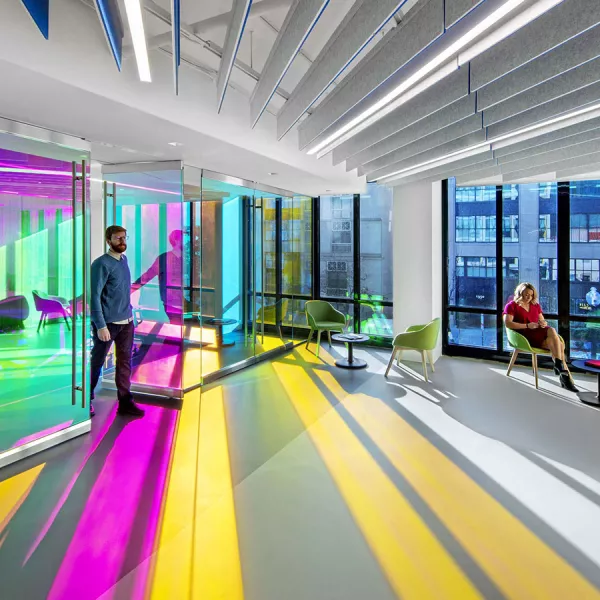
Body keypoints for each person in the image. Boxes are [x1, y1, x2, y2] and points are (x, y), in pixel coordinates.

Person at [89, 225, 145, 417]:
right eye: (117, 238)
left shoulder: (123, 260)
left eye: (124, 237)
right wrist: (101, 325)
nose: (122, 241)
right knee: (96, 362)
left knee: (124, 363)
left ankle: (125, 403)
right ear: (108, 241)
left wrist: (130, 315)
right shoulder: (101, 264)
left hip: (126, 322)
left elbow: (121, 291)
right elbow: (94, 296)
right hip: (108, 325)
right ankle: (86, 400)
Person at [503, 282, 578, 392]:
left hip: (537, 333)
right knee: (558, 344)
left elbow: (542, 320)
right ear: (520, 293)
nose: (529, 297)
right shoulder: (511, 306)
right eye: (526, 294)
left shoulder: (535, 305)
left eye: (531, 295)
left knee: (555, 339)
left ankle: (561, 370)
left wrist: (542, 323)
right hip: (523, 336)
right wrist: (527, 325)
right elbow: (508, 323)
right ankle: (563, 375)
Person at [131, 229, 184, 324]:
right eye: (183, 238)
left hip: (185, 303)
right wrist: (131, 289)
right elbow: (148, 275)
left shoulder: (187, 258)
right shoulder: (164, 258)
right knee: (177, 330)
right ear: (176, 240)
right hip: (172, 303)